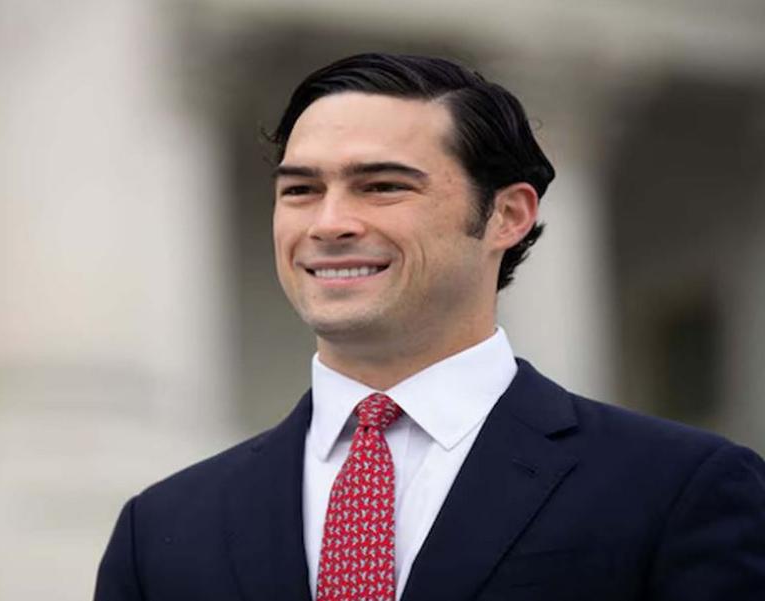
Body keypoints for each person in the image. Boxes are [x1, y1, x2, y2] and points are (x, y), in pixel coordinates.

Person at [94, 53, 765, 601]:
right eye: (300, 190)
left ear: (507, 216)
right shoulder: (159, 529)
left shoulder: (680, 490)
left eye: (382, 185)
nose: (329, 223)